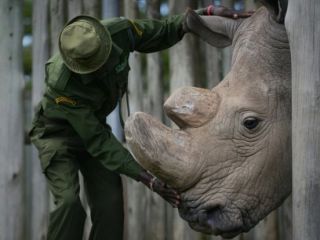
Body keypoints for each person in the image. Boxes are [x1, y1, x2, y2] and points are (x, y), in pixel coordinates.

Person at [29, 5, 252, 240]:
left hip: (94, 129)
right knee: (68, 204)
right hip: (57, 136)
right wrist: (148, 179)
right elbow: (98, 140)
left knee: (110, 203)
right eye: (93, 67)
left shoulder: (119, 32)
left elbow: (163, 30)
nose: (103, 68)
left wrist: (204, 14)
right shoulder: (62, 83)